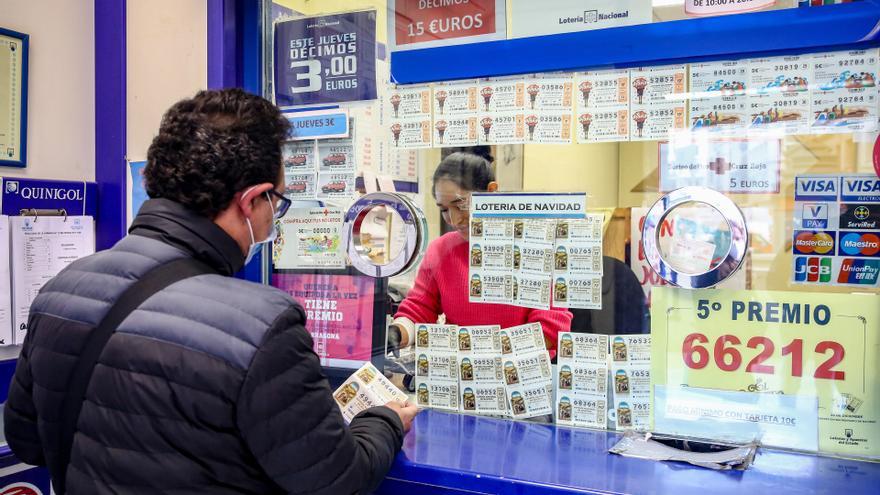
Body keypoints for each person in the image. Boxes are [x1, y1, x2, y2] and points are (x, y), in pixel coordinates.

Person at [4, 89, 418, 494]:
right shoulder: (261, 326)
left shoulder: (61, 291)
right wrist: (381, 421)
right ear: (252, 201)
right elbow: (335, 479)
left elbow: (28, 440)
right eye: (278, 204)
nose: (274, 221)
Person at [387, 151, 572, 355]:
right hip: (458, 374)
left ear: (491, 192)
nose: (454, 220)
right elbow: (419, 310)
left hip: (520, 375)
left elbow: (549, 329)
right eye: (444, 209)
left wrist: (482, 352)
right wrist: (397, 333)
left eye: (461, 205)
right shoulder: (441, 250)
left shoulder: (534, 248)